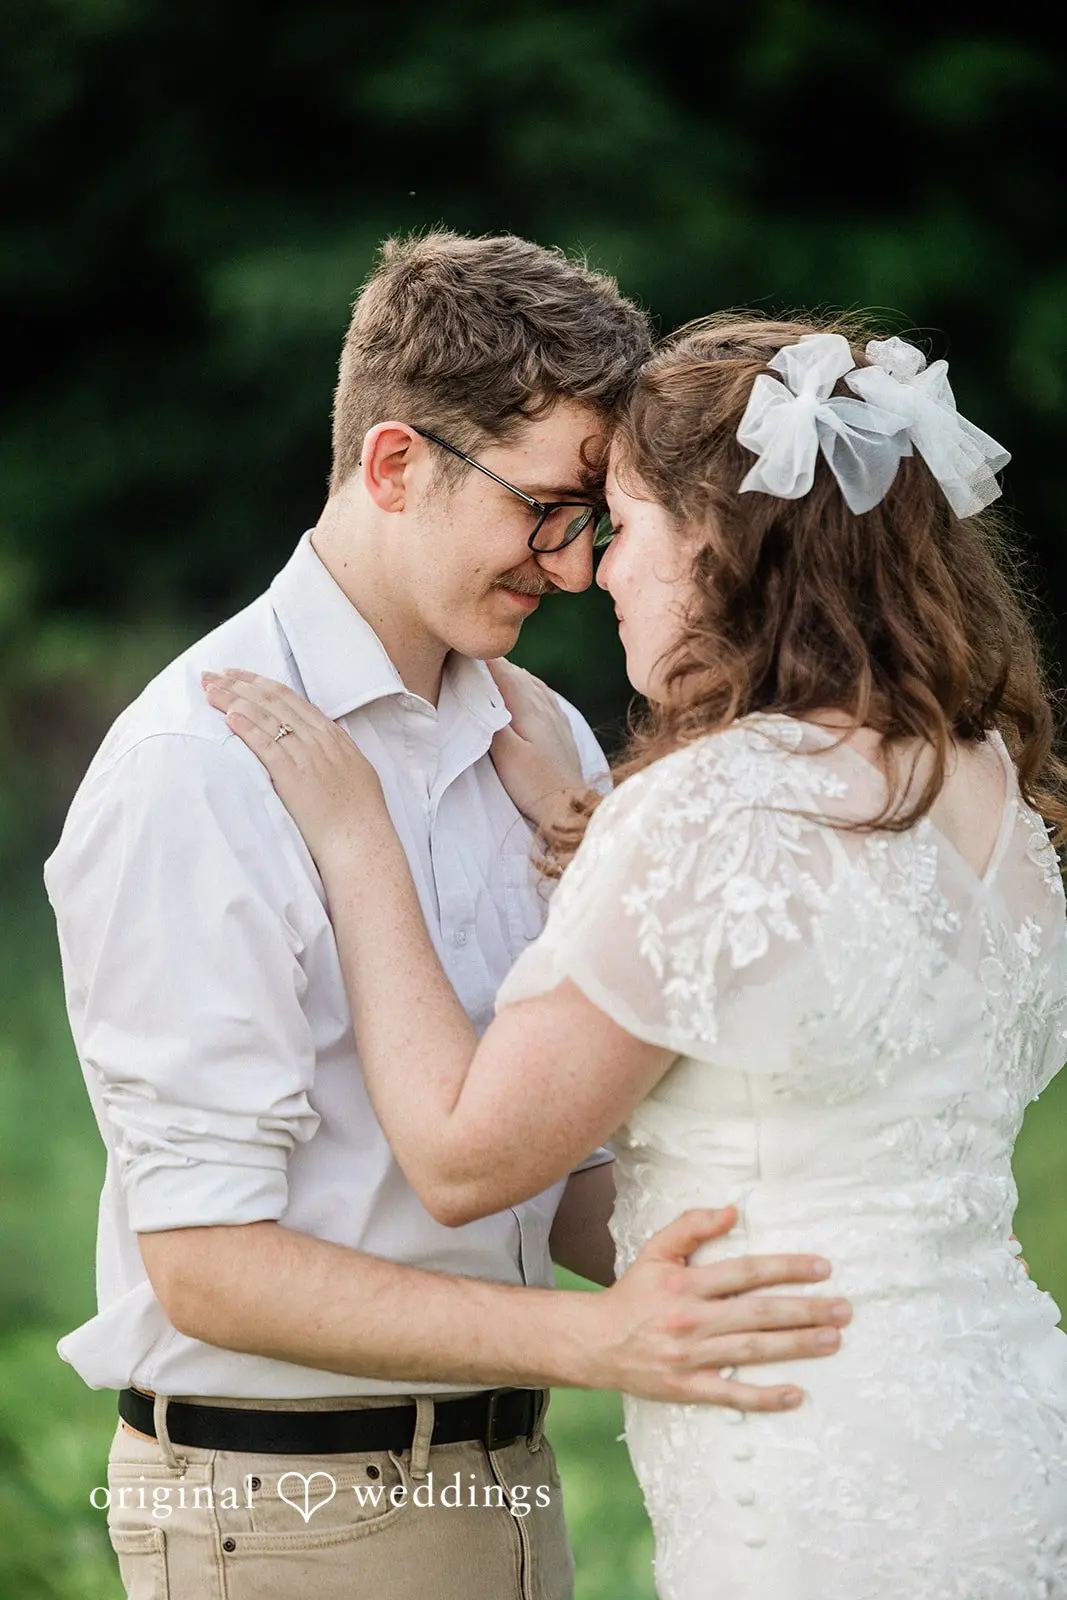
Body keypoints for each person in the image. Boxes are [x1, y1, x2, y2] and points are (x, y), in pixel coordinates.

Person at [204, 315, 1067, 1598]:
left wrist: (358, 836)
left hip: (811, 1474)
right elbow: (793, 1045)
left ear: (719, 547)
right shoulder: (992, 790)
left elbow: (457, 1155)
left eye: (622, 526)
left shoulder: (709, 810)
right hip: (1002, 1432)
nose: (597, 573)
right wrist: (602, 847)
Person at [44, 242, 852, 1600]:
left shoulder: (539, 744)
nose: (578, 565)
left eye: (594, 517)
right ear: (394, 466)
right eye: (545, 507)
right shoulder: (201, 765)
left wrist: (792, 1271)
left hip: (505, 1483)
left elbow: (555, 1168)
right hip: (282, 1507)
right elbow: (207, 1269)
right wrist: (599, 1347)